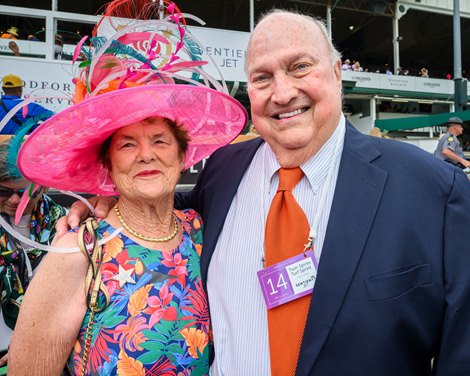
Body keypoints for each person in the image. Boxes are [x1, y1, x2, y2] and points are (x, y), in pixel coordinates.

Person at [62, 9, 470, 375]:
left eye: (300, 67)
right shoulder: (223, 171)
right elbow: (166, 213)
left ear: (336, 72)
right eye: (262, 77)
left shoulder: (433, 190)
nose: (282, 92)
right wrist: (115, 202)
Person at [8, 1, 247, 375]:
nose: (146, 155)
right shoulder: (78, 251)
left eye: (160, 141)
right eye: (127, 144)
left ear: (183, 155)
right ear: (108, 162)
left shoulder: (204, 233)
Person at [0, 140, 66, 369]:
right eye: (3, 191)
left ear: (43, 186)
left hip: (49, 347)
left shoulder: (66, 224)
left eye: (27, 192)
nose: (16, 200)